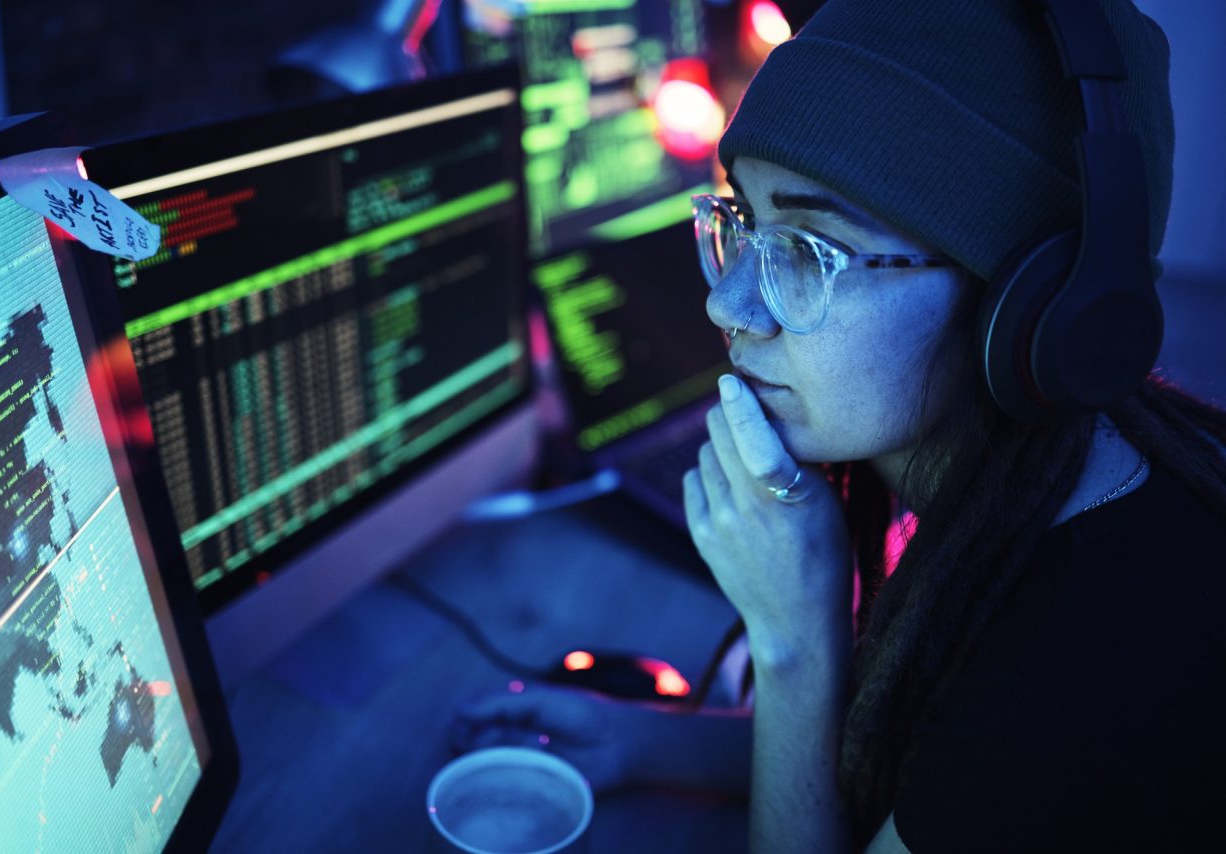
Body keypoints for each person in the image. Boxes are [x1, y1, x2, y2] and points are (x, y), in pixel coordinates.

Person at [454, 0, 1226, 850]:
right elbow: (921, 775)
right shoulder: (1053, 496)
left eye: (809, 250)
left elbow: (990, 765)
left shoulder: (1072, 692)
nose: (727, 301)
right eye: (741, 223)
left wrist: (792, 644)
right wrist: (650, 741)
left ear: (1033, 309)